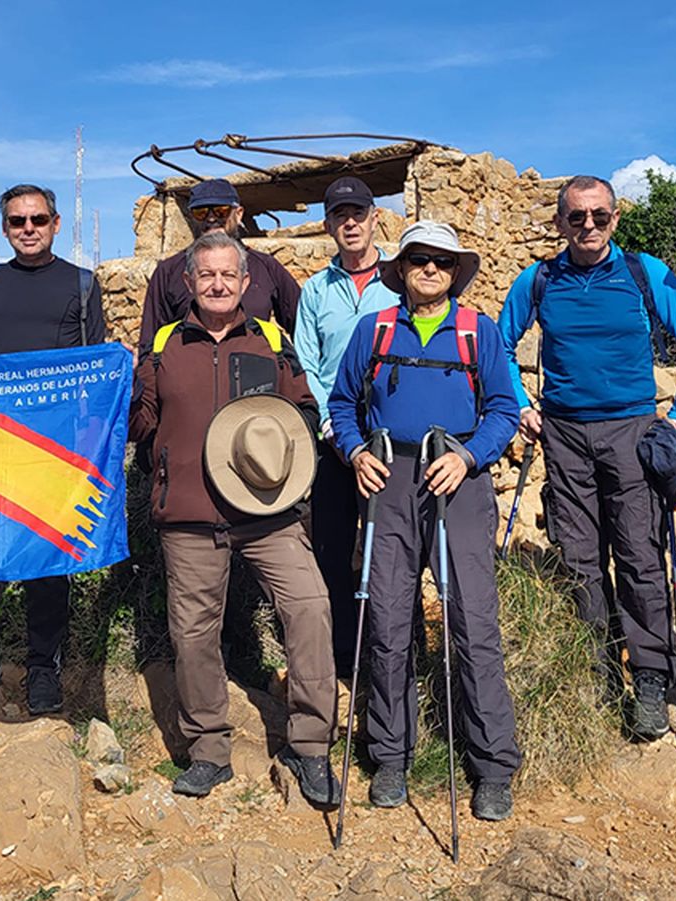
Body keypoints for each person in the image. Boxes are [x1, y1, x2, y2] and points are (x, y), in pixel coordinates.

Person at [496, 175, 676, 740]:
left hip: (633, 431)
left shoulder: (646, 274)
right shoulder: (540, 279)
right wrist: (521, 403)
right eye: (576, 217)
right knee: (579, 558)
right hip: (564, 434)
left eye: (599, 216)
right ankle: (595, 671)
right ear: (559, 223)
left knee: (640, 555)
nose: (588, 226)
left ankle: (648, 679)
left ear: (615, 219)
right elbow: (499, 345)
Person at [129, 231, 339, 807]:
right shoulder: (165, 344)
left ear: (246, 283)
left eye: (229, 275)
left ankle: (311, 746)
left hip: (268, 512)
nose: (218, 285)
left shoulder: (271, 339)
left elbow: (303, 409)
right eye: (207, 275)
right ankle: (208, 751)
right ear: (189, 283)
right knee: (194, 633)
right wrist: (167, 456)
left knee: (310, 607)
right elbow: (140, 417)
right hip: (190, 512)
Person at [328, 220, 522, 821]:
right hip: (390, 478)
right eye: (419, 260)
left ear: (456, 271)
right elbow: (342, 405)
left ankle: (492, 765)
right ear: (403, 270)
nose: (431, 270)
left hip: (456, 478)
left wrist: (467, 457)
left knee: (473, 619)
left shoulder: (478, 331)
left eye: (441, 261)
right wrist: (355, 452)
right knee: (387, 618)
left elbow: (504, 409)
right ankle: (390, 755)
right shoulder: (374, 329)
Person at [0, 183, 105, 714]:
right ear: (5, 229)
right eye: (18, 221)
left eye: (38, 219)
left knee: (46, 560)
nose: (29, 229)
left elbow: (93, 366)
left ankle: (45, 667)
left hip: (53, 447)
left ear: (57, 223)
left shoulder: (82, 284)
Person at [292, 176, 400, 677]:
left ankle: (394, 655)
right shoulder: (315, 290)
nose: (350, 223)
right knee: (334, 549)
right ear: (328, 224)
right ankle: (342, 659)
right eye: (340, 215)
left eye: (358, 212)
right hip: (334, 442)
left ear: (375, 216)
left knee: (392, 553)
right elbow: (306, 364)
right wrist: (334, 429)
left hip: (389, 439)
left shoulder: (400, 280)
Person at [137, 178, 300, 348]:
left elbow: (304, 329)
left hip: (254, 371)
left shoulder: (266, 267)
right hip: (192, 372)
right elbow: (150, 344)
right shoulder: (169, 271)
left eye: (221, 211)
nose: (211, 218)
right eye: (201, 212)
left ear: (239, 214)